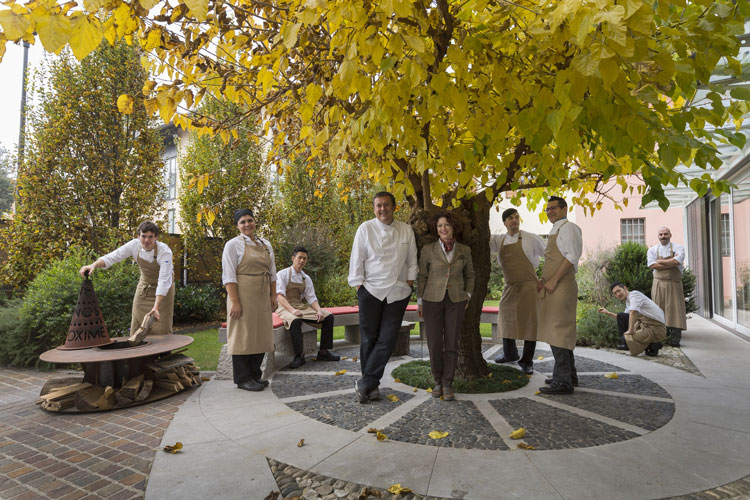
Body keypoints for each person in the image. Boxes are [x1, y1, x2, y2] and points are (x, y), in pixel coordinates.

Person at [348, 191, 417, 403]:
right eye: (378, 205)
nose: (382, 209)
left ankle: (366, 382)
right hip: (371, 290)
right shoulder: (365, 228)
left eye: (386, 205)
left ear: (394, 207)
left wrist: (410, 282)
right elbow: (357, 258)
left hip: (397, 292)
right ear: (374, 208)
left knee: (387, 339)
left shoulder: (406, 230)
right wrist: (359, 285)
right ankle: (373, 386)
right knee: (368, 337)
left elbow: (413, 260)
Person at [79, 221, 175, 335]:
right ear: (138, 236)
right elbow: (113, 257)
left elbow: (164, 280)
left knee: (161, 326)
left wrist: (156, 306)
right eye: (143, 236)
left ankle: (163, 352)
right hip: (144, 287)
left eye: (150, 237)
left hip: (163, 292)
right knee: (137, 324)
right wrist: (93, 265)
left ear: (156, 238)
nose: (146, 241)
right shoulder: (134, 245)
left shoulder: (164, 251)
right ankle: (140, 351)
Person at [417, 211, 474, 401]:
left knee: (451, 343)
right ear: (436, 228)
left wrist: (467, 294)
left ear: (453, 227)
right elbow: (422, 276)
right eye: (440, 225)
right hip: (432, 300)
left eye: (447, 225)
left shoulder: (464, 250)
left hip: (456, 300)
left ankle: (448, 384)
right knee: (434, 343)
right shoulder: (428, 249)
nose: (443, 229)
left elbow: (470, 275)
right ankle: (437, 382)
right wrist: (419, 300)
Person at [222, 209, 277, 392]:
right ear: (237, 226)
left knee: (261, 335)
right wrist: (235, 302)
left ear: (255, 222)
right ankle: (243, 378)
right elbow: (229, 277)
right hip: (242, 295)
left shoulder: (266, 244)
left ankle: (255, 375)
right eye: (243, 222)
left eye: (250, 220)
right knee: (242, 335)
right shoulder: (232, 245)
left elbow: (272, 273)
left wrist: (273, 295)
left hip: (262, 295)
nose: (247, 225)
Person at [490, 208, 545, 375]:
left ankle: (527, 361)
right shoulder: (498, 240)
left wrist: (546, 277)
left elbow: (549, 255)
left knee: (530, 324)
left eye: (516, 217)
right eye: (510, 218)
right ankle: (510, 354)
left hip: (529, 285)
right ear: (504, 222)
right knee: (505, 318)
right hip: (510, 286)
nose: (514, 220)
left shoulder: (531, 237)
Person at [537, 196, 583, 395]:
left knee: (559, 331)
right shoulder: (556, 229)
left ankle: (563, 381)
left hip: (561, 287)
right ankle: (567, 375)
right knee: (558, 331)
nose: (550, 212)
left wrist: (554, 280)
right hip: (553, 287)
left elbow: (572, 256)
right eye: (547, 209)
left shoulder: (569, 228)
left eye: (553, 208)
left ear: (565, 209)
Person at [276, 246, 341, 369]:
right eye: (299, 258)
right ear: (293, 258)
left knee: (328, 317)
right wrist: (292, 310)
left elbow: (311, 298)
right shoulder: (282, 274)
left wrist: (319, 311)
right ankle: (299, 356)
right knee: (295, 321)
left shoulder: (306, 278)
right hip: (285, 307)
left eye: (304, 258)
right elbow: (279, 296)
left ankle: (323, 352)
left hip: (301, 306)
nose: (302, 261)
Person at [598, 282, 667, 356]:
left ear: (625, 288)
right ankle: (652, 345)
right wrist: (608, 313)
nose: (618, 294)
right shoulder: (628, 302)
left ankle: (651, 343)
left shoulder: (634, 295)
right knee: (621, 317)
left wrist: (630, 331)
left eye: (619, 291)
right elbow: (623, 317)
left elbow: (633, 312)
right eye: (615, 293)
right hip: (648, 326)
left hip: (656, 329)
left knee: (625, 338)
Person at [647, 227, 687, 347]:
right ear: (658, 236)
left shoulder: (679, 248)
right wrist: (670, 262)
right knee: (658, 309)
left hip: (674, 283)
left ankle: (675, 338)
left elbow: (677, 262)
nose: (663, 236)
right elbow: (652, 265)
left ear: (670, 234)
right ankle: (660, 337)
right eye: (661, 234)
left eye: (665, 234)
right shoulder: (652, 250)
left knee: (676, 310)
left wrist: (660, 262)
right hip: (658, 283)